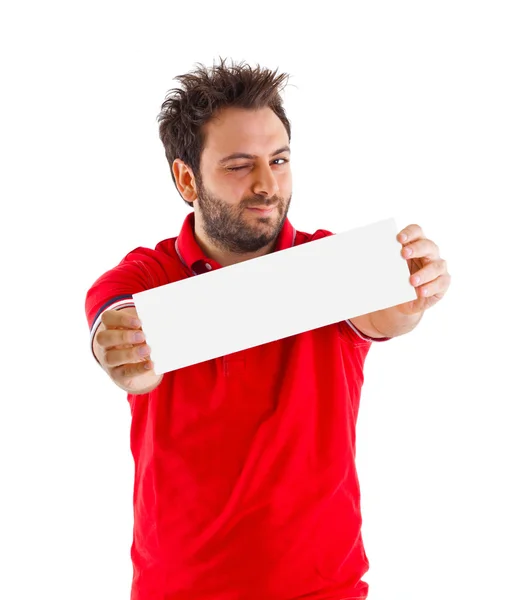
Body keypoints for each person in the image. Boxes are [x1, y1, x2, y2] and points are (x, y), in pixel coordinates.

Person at [85, 58, 451, 600]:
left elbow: (392, 312)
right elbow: (114, 324)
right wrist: (119, 347)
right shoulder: (146, 276)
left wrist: (416, 287)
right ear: (187, 178)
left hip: (324, 591)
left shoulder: (333, 265)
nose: (266, 184)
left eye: (278, 160)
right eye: (239, 166)